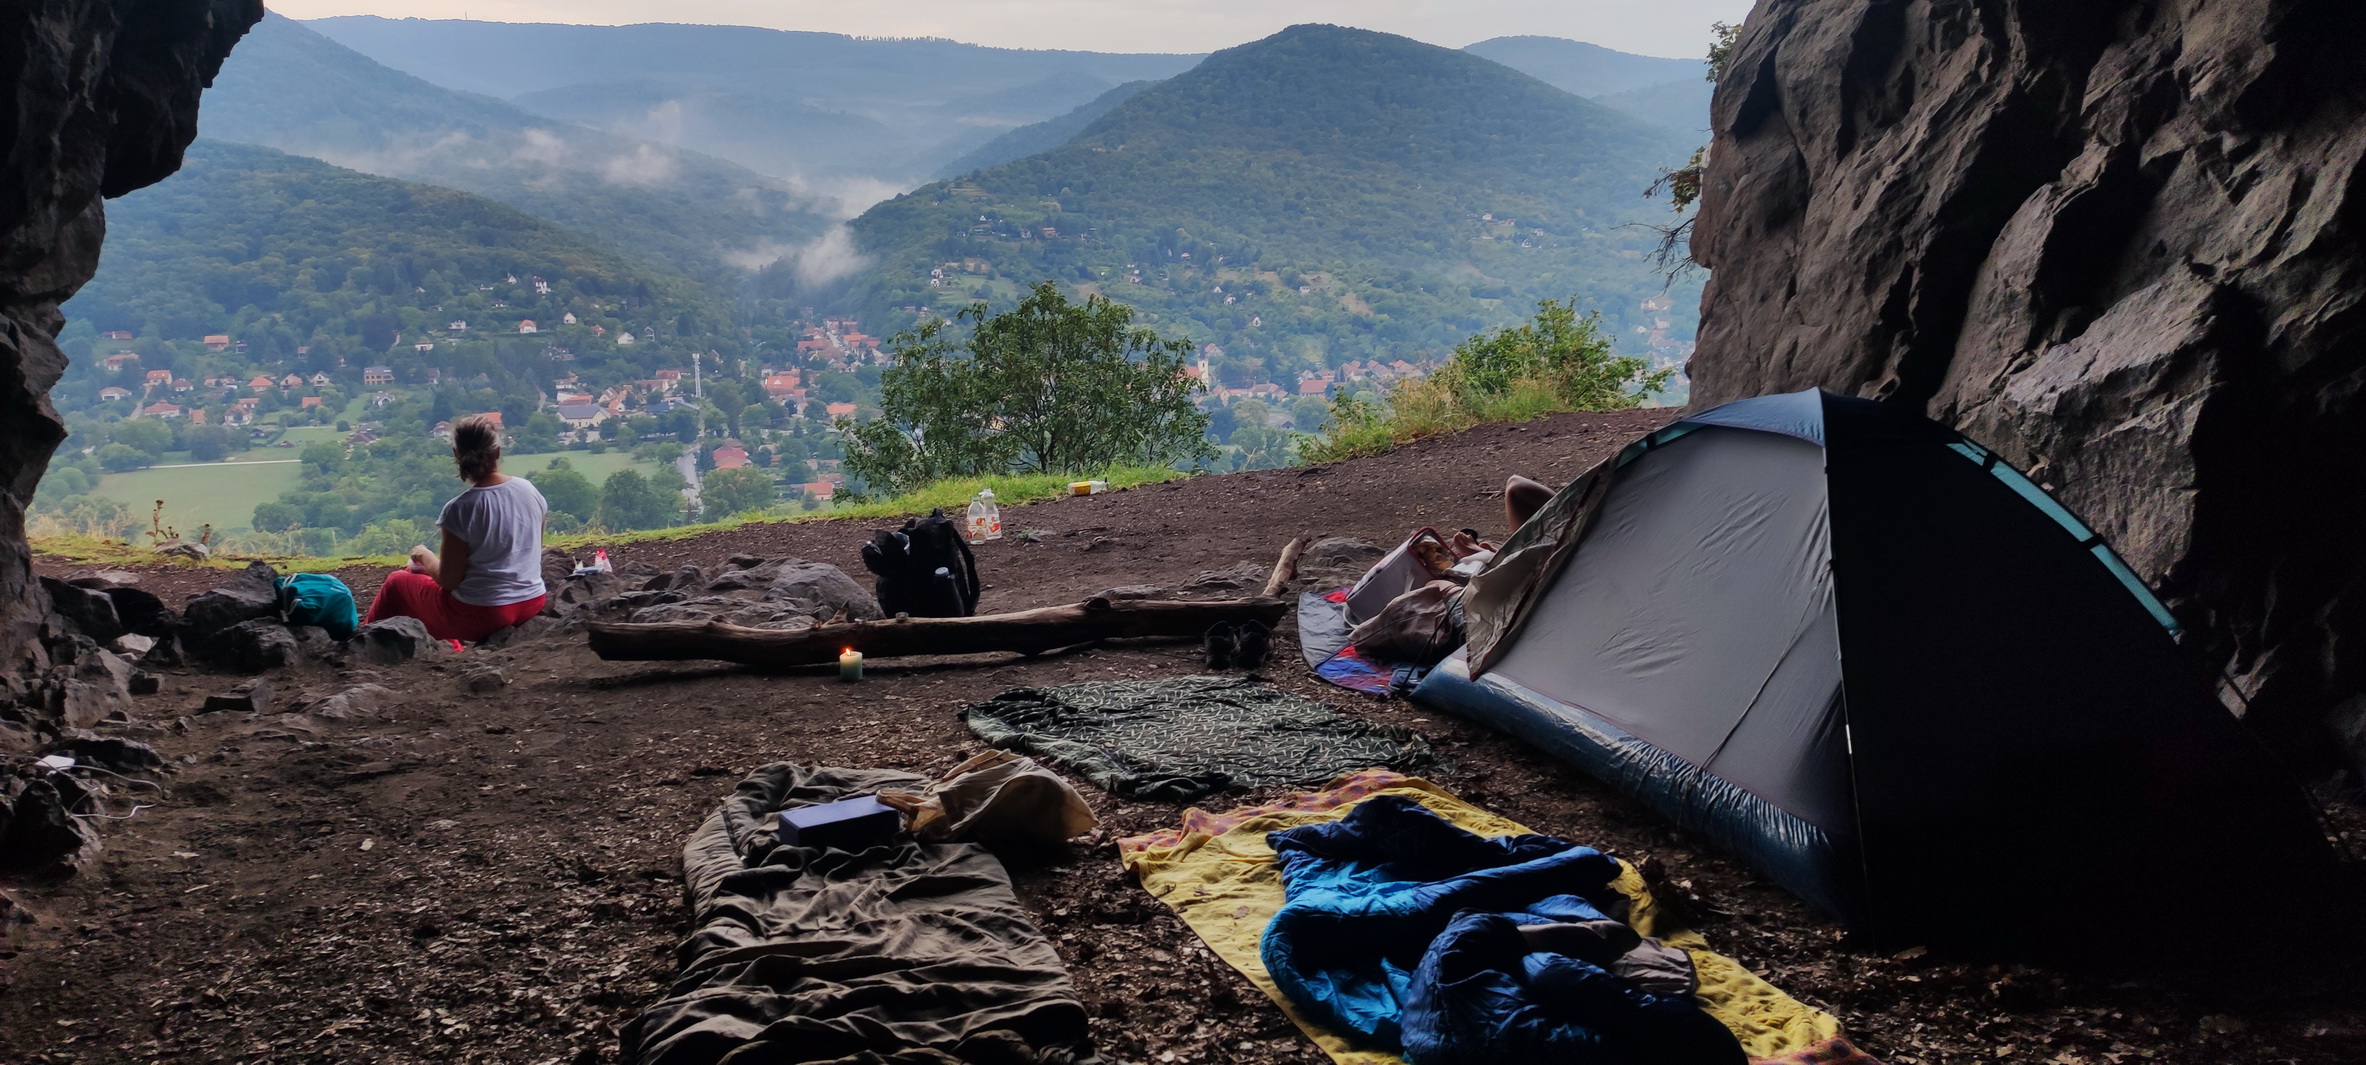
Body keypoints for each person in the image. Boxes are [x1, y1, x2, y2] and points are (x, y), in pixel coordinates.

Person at [361, 415, 549, 644]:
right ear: (497, 452)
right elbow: (533, 549)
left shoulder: (460, 509)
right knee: (418, 578)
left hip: (483, 613)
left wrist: (425, 555)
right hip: (531, 601)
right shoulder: (529, 490)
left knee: (397, 582)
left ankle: (361, 644)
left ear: (456, 454)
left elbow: (448, 580)